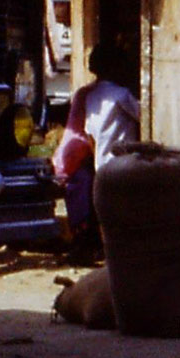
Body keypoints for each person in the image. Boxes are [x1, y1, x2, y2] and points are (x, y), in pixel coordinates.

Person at [53, 42, 140, 258]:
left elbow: (90, 131)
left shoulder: (90, 96)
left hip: (101, 162)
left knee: (107, 211)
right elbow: (143, 114)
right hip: (124, 162)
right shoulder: (121, 95)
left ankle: (100, 249)